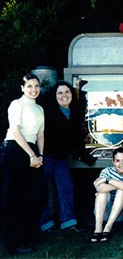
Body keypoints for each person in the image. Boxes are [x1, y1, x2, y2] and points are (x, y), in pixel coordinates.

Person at [0, 73, 48, 254]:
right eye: (29, 86)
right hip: (14, 150)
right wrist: (31, 155)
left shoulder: (40, 109)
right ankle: (13, 243)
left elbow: (40, 134)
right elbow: (16, 131)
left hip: (32, 151)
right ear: (22, 88)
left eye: (36, 86)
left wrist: (40, 155)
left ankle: (29, 234)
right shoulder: (16, 104)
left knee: (37, 195)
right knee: (13, 198)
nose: (34, 90)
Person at [39, 80, 88, 233]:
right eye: (60, 92)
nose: (64, 95)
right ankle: (45, 224)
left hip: (60, 159)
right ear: (55, 95)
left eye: (67, 92)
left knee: (66, 187)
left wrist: (83, 154)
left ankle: (68, 223)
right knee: (42, 189)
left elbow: (74, 139)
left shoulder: (74, 112)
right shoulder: (48, 111)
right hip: (45, 156)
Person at [91, 147, 123, 242]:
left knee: (121, 191)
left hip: (122, 213)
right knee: (102, 193)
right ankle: (98, 228)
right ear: (113, 162)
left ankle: (108, 228)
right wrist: (120, 185)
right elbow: (99, 188)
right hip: (104, 212)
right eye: (117, 161)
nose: (121, 164)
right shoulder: (107, 171)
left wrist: (108, 181)